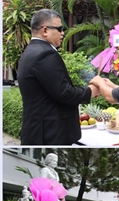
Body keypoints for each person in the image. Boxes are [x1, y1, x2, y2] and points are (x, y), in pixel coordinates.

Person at [17, 9, 98, 145]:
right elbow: (64, 93)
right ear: (44, 31)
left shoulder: (31, 51)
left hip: (38, 129)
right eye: (59, 29)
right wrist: (90, 91)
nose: (62, 33)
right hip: (49, 133)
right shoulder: (45, 54)